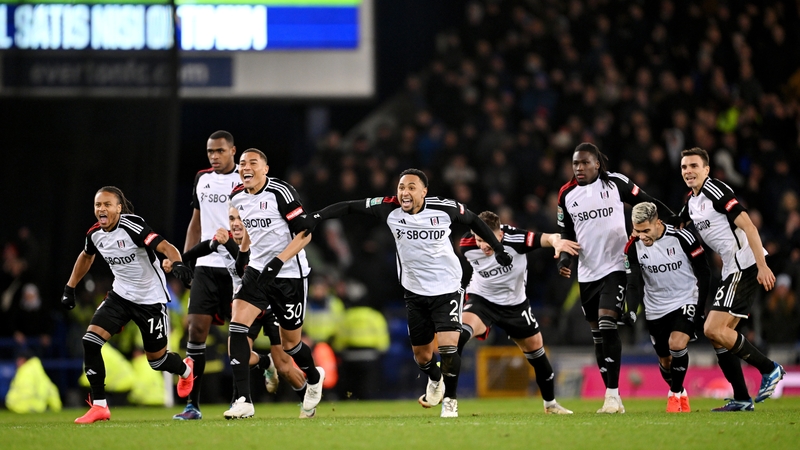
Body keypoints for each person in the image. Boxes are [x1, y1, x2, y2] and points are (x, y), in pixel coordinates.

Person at [308, 168, 514, 418]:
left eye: (411, 187)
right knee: (422, 357)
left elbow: (473, 220)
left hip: (447, 287)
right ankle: (435, 379)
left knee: (449, 347)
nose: (404, 192)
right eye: (401, 187)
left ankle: (450, 401)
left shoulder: (444, 208)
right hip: (414, 292)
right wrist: (316, 216)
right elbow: (350, 206)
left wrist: (497, 247)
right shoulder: (388, 207)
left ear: (424, 191)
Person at [557, 142, 675, 414]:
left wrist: (675, 220)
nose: (579, 168)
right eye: (575, 163)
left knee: (608, 324)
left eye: (584, 163)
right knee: (598, 336)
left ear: (597, 164)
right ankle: (615, 398)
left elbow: (647, 203)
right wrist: (565, 259)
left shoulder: (615, 183)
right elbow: (565, 233)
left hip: (616, 266)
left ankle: (611, 395)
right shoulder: (566, 194)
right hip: (587, 273)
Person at [60, 186, 195, 424]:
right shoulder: (94, 234)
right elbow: (86, 256)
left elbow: (165, 246)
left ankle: (185, 369)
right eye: (98, 205)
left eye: (107, 204)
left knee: (157, 361)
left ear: (119, 208)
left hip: (150, 300)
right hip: (120, 296)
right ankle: (100, 406)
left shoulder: (132, 226)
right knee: (90, 342)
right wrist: (70, 287)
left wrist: (178, 264)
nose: (101, 209)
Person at [678, 147, 785, 411]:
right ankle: (740, 397)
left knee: (712, 329)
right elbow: (675, 223)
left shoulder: (716, 191)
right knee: (719, 335)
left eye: (693, 166)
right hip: (731, 268)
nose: (688, 171)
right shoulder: (691, 201)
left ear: (706, 170)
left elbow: (748, 225)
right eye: (684, 167)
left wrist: (762, 266)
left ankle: (769, 368)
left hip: (745, 264)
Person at [171, 205, 310, 407]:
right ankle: (263, 364)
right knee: (236, 355)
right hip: (248, 307)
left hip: (271, 306)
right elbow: (205, 247)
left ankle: (308, 397)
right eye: (231, 218)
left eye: (240, 218)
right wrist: (179, 261)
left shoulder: (262, 242)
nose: (235, 223)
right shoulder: (224, 239)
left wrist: (228, 244)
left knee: (284, 366)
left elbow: (245, 268)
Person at [225, 148, 322, 419]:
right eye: (242, 163)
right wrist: (244, 256)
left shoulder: (281, 191)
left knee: (291, 347)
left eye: (253, 163)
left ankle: (314, 376)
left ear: (265, 169)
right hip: (258, 272)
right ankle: (243, 400)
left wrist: (278, 261)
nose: (246, 167)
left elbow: (305, 234)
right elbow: (250, 232)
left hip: (289, 273)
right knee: (237, 325)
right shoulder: (237, 197)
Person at [458, 210, 578, 414]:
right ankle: (443, 387)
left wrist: (557, 243)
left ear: (500, 235)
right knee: (458, 335)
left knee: (537, 353)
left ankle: (550, 404)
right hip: (482, 300)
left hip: (515, 305)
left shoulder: (516, 238)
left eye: (488, 240)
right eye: (479, 239)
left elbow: (548, 237)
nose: (483, 245)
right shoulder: (466, 245)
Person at [175, 130, 242, 420]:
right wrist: (184, 259)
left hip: (237, 267)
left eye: (219, 151)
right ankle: (192, 405)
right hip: (205, 266)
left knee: (242, 335)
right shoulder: (202, 179)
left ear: (233, 151)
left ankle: (243, 396)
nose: (214, 156)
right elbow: (196, 221)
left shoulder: (246, 178)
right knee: (195, 330)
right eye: (210, 152)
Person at [624, 202, 711, 413]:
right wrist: (631, 310)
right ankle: (680, 392)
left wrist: (700, 310)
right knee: (665, 360)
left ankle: (674, 395)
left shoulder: (683, 237)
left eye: (646, 230)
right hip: (655, 307)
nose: (641, 235)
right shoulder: (632, 246)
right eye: (637, 230)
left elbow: (705, 272)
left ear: (658, 223)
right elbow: (634, 282)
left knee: (678, 343)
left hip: (685, 299)